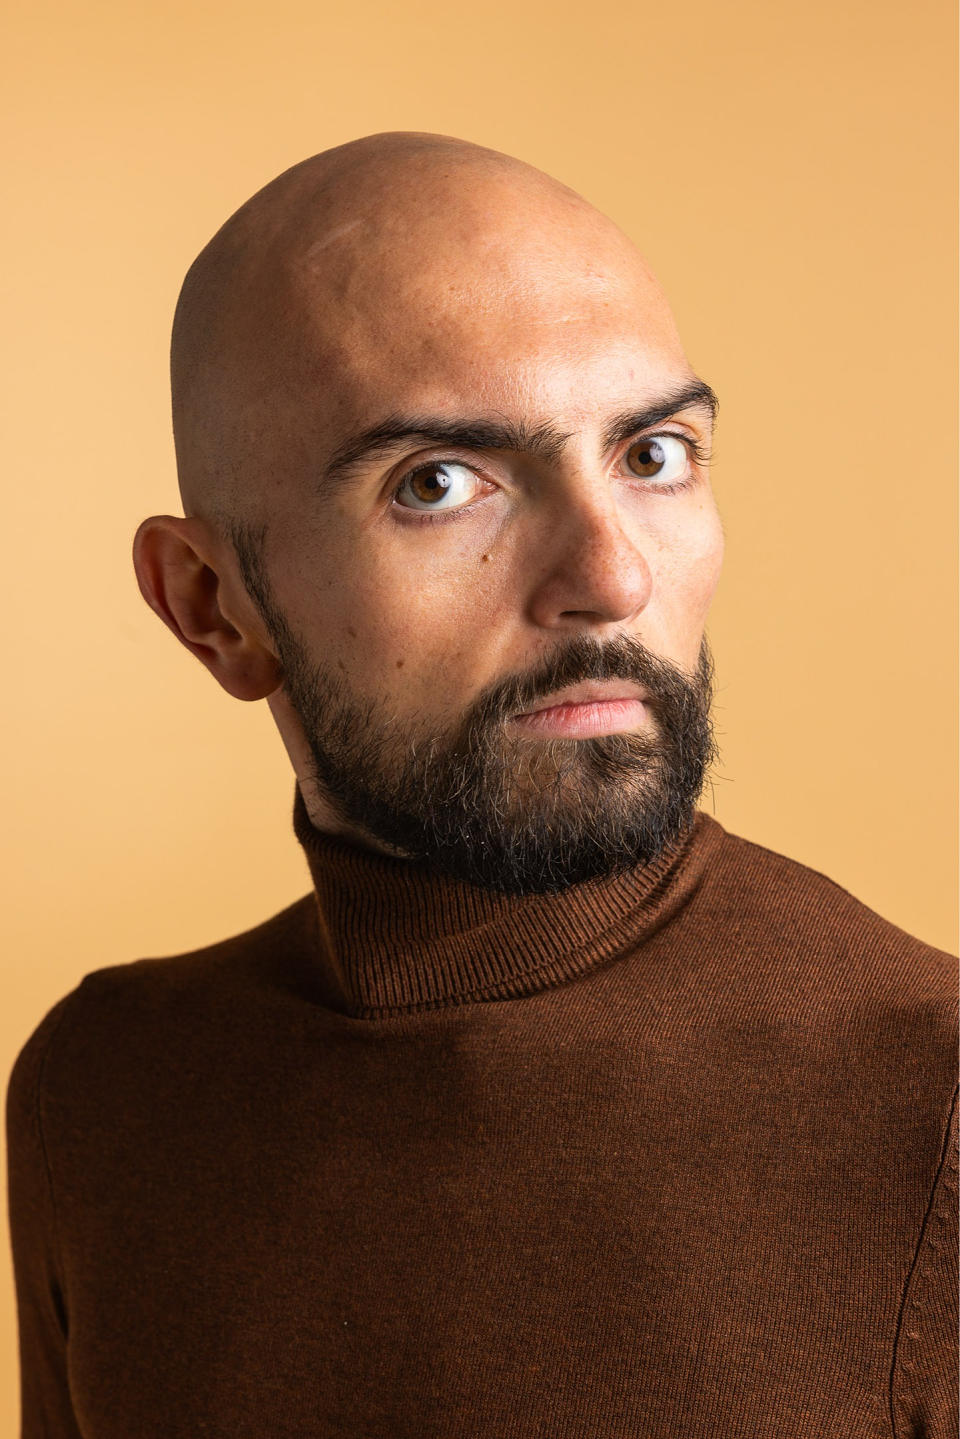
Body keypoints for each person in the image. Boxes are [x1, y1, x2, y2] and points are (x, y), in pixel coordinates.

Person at [6, 131, 957, 1438]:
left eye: (653, 454)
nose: (612, 579)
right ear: (214, 606)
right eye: (439, 484)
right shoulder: (108, 1096)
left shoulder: (931, 1111)